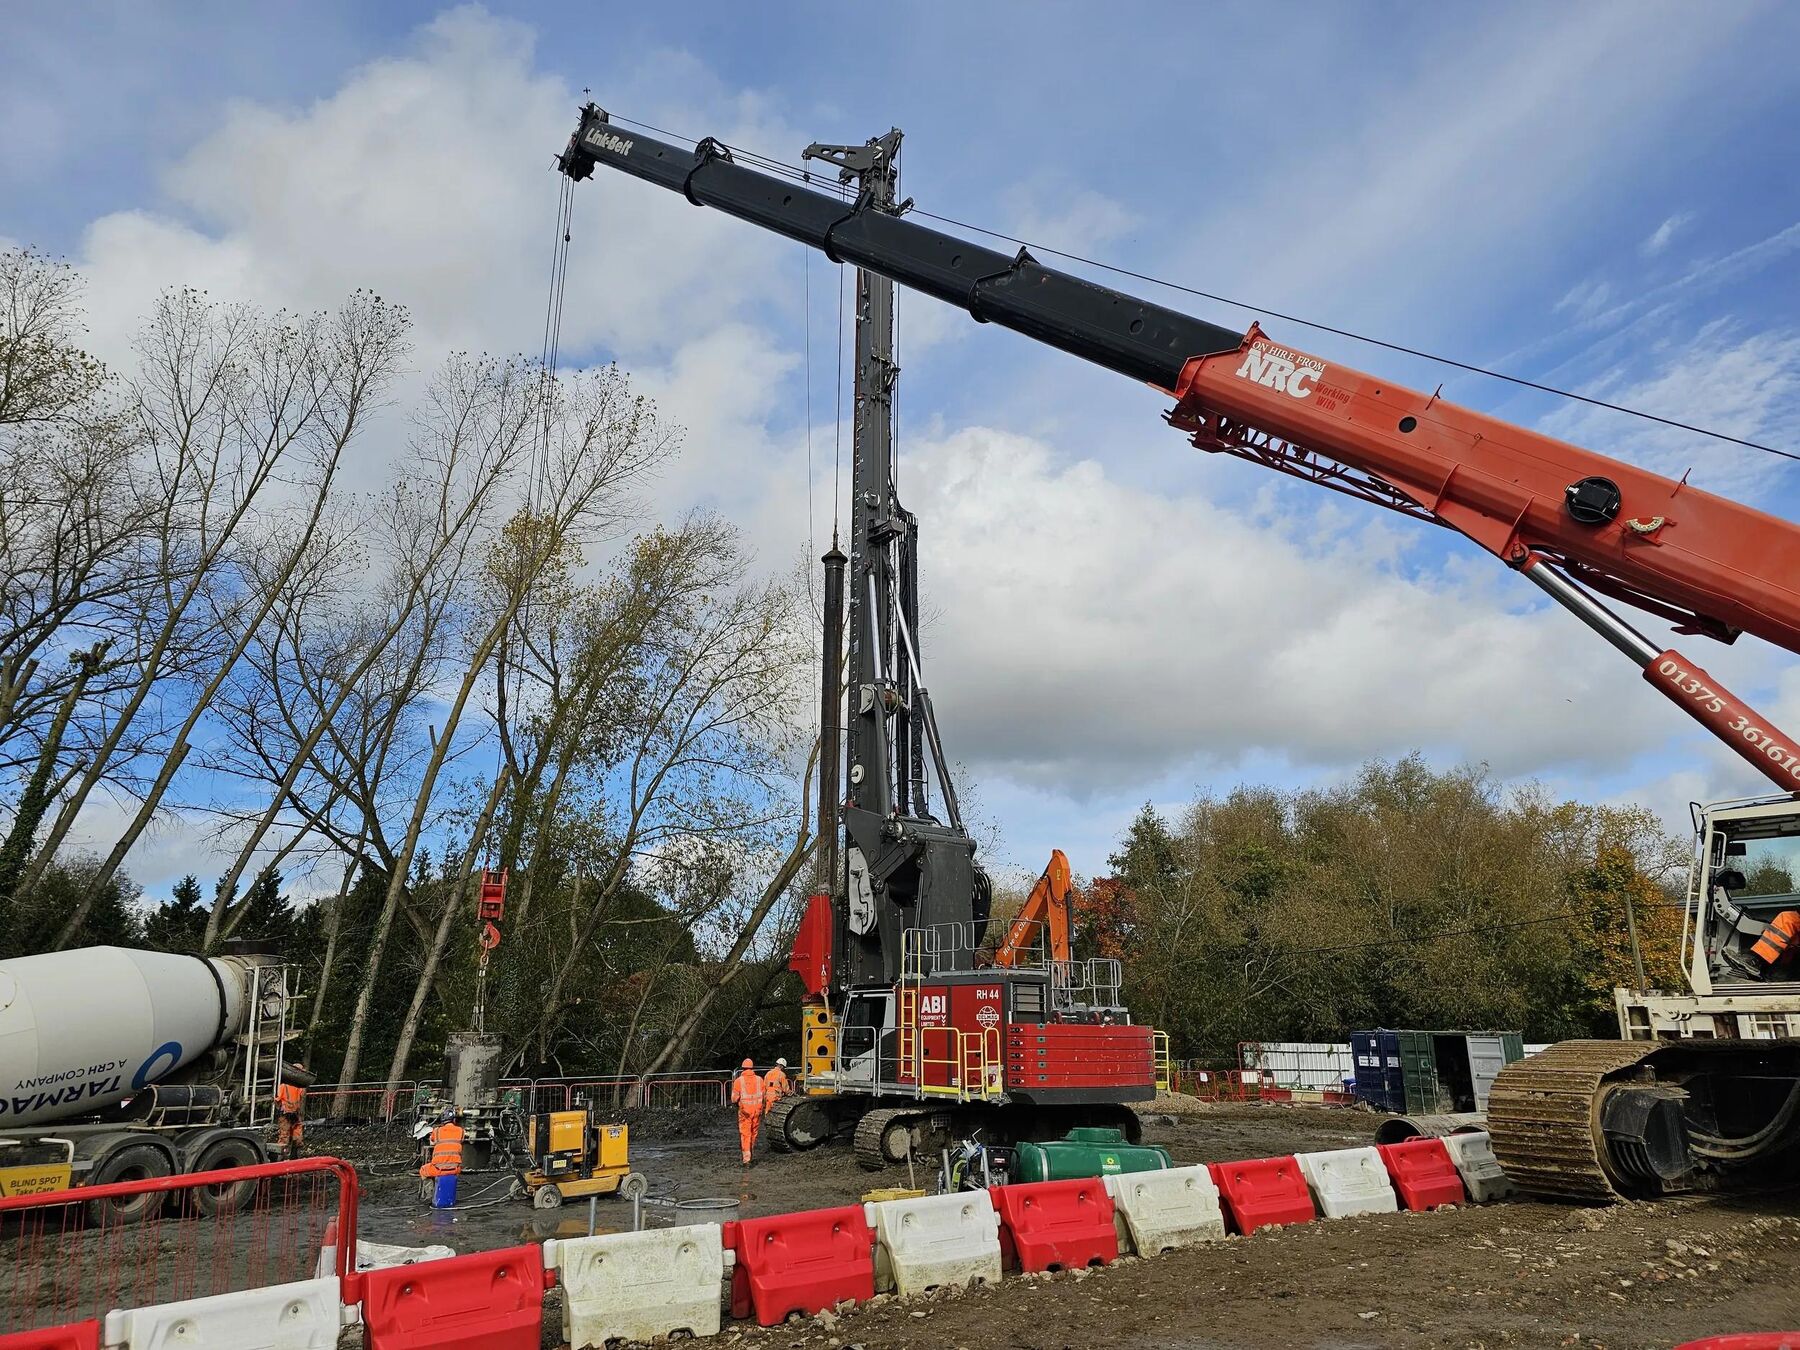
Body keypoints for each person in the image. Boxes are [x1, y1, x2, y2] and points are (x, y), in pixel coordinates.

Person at [729, 1059, 765, 1165]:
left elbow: (734, 1099)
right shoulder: (759, 1080)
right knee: (754, 1133)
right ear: (752, 1068)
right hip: (757, 1111)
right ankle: (751, 1153)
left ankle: (747, 1158)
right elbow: (763, 1095)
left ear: (743, 1068)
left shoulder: (739, 1081)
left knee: (745, 1134)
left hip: (745, 1112)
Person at [418, 1109, 465, 1182]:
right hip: (455, 1169)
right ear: (454, 1120)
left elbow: (432, 1143)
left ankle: (430, 1192)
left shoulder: (437, 1131)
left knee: (423, 1170)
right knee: (457, 1171)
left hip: (438, 1169)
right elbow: (460, 1141)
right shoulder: (461, 1131)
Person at [274, 1069, 306, 1161]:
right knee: (297, 1136)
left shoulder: (283, 1086)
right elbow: (300, 1099)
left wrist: (279, 1110)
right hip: (294, 1114)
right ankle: (294, 1158)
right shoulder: (300, 1086)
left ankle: (281, 1160)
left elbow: (277, 1100)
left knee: (284, 1137)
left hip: (286, 1114)